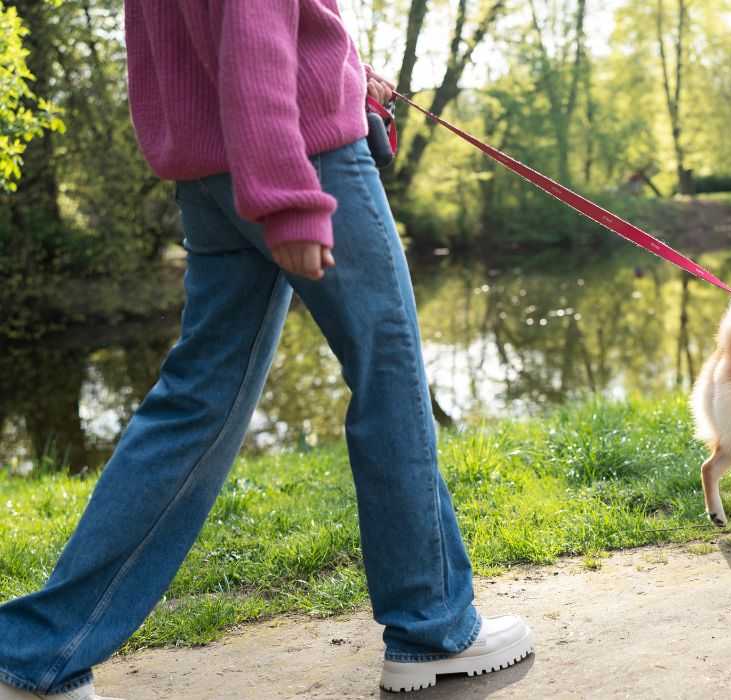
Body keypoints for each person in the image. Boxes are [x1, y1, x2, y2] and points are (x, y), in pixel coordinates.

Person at [0, 3, 533, 698]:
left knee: (197, 403)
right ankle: (433, 630)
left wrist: (336, 67)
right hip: (298, 156)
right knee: (389, 374)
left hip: (212, 164)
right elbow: (254, 22)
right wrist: (284, 190)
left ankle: (39, 650)